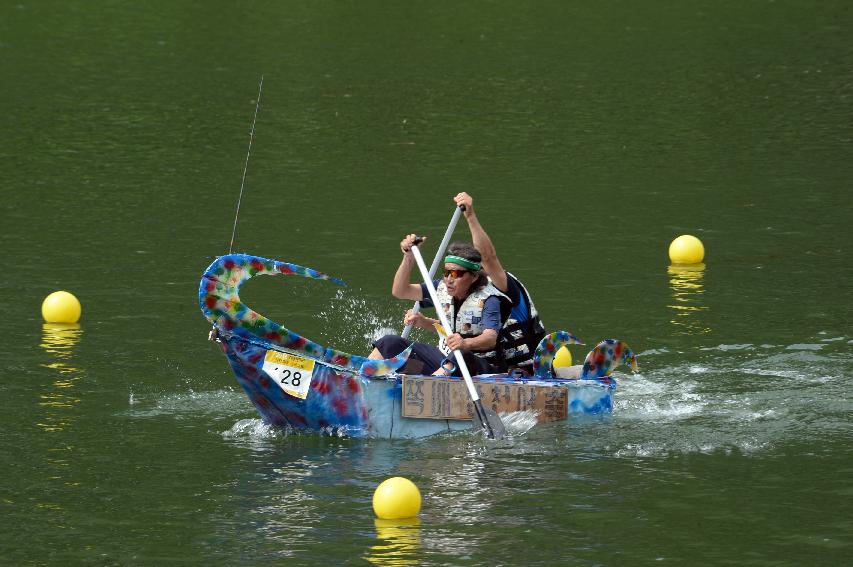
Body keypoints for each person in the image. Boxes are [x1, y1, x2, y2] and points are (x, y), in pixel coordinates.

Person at [368, 193, 545, 376]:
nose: (449, 279)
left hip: (496, 371)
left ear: (474, 276)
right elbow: (400, 291)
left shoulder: (495, 293)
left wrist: (470, 216)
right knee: (390, 343)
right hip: (451, 363)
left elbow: (489, 259)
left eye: (457, 274)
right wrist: (408, 257)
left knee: (459, 355)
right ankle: (363, 378)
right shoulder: (443, 288)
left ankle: (427, 387)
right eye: (446, 272)